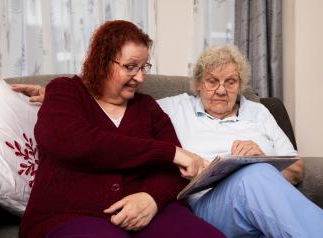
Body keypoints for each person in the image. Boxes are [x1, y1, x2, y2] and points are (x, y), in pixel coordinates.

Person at [14, 45, 323, 237]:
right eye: (212, 82)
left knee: (255, 175)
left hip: (259, 199)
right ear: (198, 84)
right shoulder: (172, 107)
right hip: (206, 204)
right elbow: (113, 106)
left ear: (241, 84)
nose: (221, 90)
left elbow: (296, 169)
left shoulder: (259, 113)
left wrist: (261, 159)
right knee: (253, 179)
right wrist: (57, 94)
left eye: (231, 82)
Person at [17, 20, 226, 238]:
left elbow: (175, 172)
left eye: (144, 67)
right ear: (102, 62)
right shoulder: (65, 91)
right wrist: (170, 152)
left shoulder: (148, 108)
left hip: (152, 214)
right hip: (71, 215)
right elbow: (71, 141)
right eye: (130, 67)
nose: (140, 77)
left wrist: (151, 199)